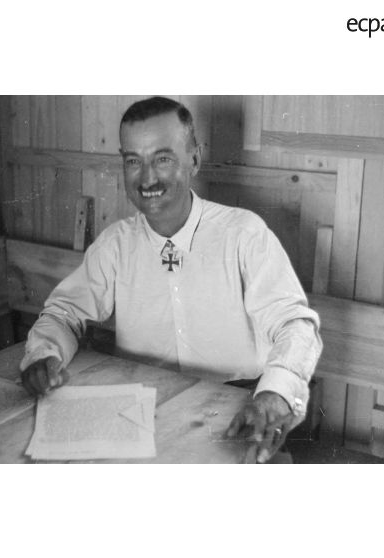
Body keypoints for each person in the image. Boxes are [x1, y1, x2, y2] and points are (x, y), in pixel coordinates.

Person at [20, 96, 322, 463]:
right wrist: (44, 354)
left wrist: (274, 395)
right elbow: (64, 313)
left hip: (238, 410)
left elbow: (295, 325)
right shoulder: (116, 244)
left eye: (163, 159)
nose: (147, 178)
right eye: (134, 161)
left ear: (194, 159)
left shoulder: (244, 234)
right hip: (141, 414)